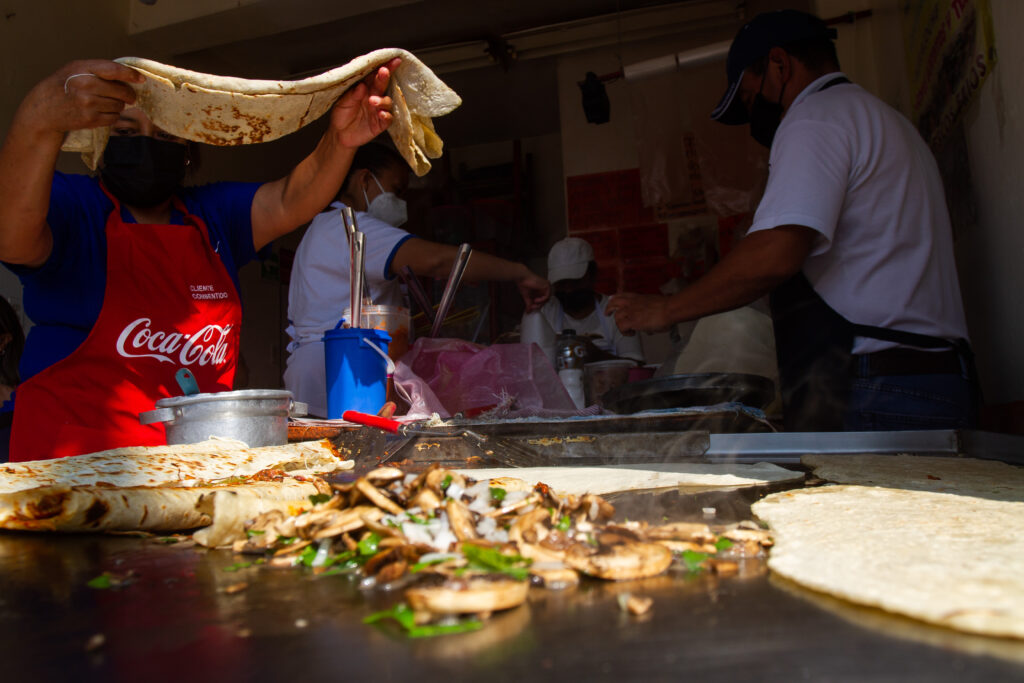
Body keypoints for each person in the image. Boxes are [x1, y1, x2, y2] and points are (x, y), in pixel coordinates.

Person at [0, 57, 399, 461]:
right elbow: (11, 239)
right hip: (70, 466)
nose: (147, 146)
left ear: (189, 151)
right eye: (126, 132)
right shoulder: (75, 207)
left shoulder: (211, 216)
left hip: (191, 465)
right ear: (101, 146)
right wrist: (38, 120)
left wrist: (340, 141)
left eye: (166, 136)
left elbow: (287, 200)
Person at [606, 9, 975, 432]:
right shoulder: (884, 120)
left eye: (750, 97)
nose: (757, 115)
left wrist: (667, 310)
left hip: (880, 389)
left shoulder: (814, 117)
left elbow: (775, 254)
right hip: (932, 378)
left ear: (779, 65)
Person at [285, 142, 551, 417]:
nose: (401, 203)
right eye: (396, 190)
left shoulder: (320, 228)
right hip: (344, 376)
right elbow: (438, 261)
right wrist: (520, 272)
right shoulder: (350, 226)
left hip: (324, 374)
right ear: (364, 179)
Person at [522, 237, 644, 367]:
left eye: (575, 282)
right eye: (562, 283)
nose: (568, 290)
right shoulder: (545, 312)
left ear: (592, 275)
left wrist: (598, 355)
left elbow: (637, 366)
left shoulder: (617, 311)